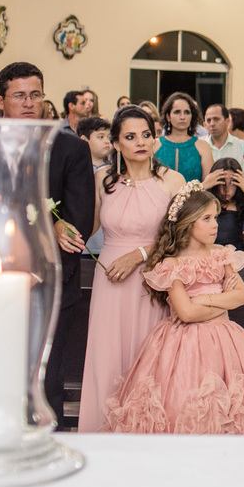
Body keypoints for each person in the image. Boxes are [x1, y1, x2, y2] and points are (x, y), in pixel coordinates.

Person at [0, 63, 95, 429]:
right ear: (1, 99)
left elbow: (77, 223)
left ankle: (49, 449)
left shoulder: (71, 149)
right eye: (19, 95)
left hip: (50, 282)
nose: (29, 103)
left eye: (36, 95)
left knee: (46, 379)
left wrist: (51, 236)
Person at [101, 188, 244, 435]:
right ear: (186, 223)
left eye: (215, 217)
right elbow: (186, 314)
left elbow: (242, 296)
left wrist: (202, 299)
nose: (215, 225)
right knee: (183, 402)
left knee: (233, 405)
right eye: (207, 219)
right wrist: (221, 300)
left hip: (225, 341)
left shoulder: (220, 254)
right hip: (182, 345)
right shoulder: (171, 264)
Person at [79, 105, 186, 432]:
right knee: (108, 360)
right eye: (130, 136)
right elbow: (89, 227)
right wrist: (55, 222)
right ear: (115, 143)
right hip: (109, 284)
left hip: (150, 281)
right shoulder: (102, 179)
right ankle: (103, 434)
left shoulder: (172, 180)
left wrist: (139, 254)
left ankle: (145, 435)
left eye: (146, 135)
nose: (140, 142)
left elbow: (181, 238)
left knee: (146, 359)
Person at [203, 157, 244, 252]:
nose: (226, 189)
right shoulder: (204, 203)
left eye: (232, 184)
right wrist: (203, 185)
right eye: (222, 183)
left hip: (237, 256)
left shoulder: (239, 204)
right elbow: (180, 210)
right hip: (210, 255)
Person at [155, 92, 212, 182]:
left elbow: (208, 186)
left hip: (196, 196)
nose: (182, 117)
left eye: (187, 112)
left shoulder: (203, 147)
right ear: (168, 116)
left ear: (192, 116)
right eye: (177, 112)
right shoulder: (154, 145)